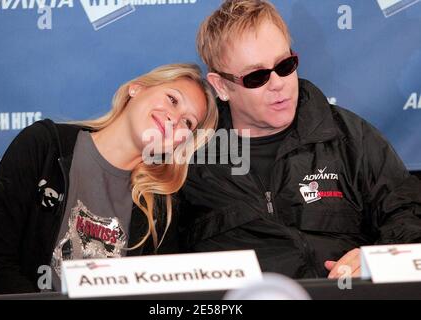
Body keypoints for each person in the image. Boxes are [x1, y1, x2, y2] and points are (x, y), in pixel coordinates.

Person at [178, 0, 421, 279]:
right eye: (257, 77)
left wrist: (377, 260)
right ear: (221, 86)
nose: (278, 83)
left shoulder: (352, 139)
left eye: (285, 65)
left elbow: (410, 220)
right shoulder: (191, 158)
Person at [0, 63, 218, 294]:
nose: (174, 120)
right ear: (137, 88)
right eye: (172, 99)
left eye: (188, 122)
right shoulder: (44, 146)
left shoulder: (162, 206)